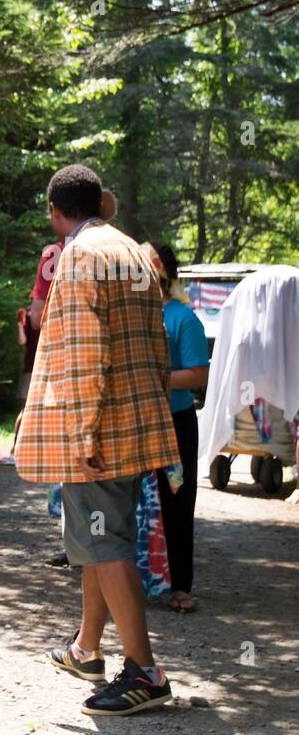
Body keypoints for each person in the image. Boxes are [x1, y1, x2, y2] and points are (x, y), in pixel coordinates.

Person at [17, 164, 180, 716]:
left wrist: (81, 430)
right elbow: (159, 345)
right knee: (97, 537)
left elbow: (85, 350)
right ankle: (87, 650)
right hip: (135, 422)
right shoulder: (136, 251)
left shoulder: (79, 256)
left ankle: (145, 672)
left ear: (55, 210)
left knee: (104, 543)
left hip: (100, 429)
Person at [146, 243, 207, 611]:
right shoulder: (137, 314)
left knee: (177, 502)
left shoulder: (184, 318)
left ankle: (180, 586)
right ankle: (138, 580)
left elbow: (199, 373)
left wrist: (158, 379)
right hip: (140, 422)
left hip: (176, 425)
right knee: (138, 503)